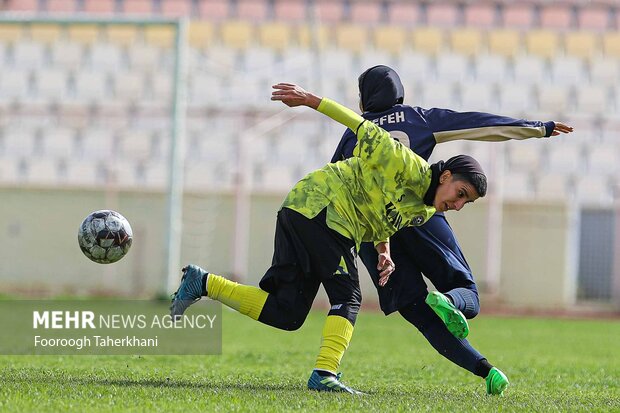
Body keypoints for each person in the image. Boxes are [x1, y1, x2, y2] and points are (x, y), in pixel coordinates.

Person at [170, 82, 489, 394]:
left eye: (466, 202)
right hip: (321, 209)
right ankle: (325, 373)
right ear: (445, 176)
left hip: (302, 210)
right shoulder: (403, 160)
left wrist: (383, 251)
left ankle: (203, 282)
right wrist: (308, 99)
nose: (458, 205)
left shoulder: (424, 211)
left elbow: (384, 218)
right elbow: (359, 124)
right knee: (349, 297)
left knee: (288, 313)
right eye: (460, 194)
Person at [331, 65, 575, 395]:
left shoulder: (354, 132)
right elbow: (477, 124)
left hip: (371, 231)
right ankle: (450, 303)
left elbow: (335, 190)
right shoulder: (417, 118)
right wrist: (538, 128)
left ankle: (484, 369)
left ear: (365, 97)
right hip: (418, 214)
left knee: (417, 311)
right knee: (467, 293)